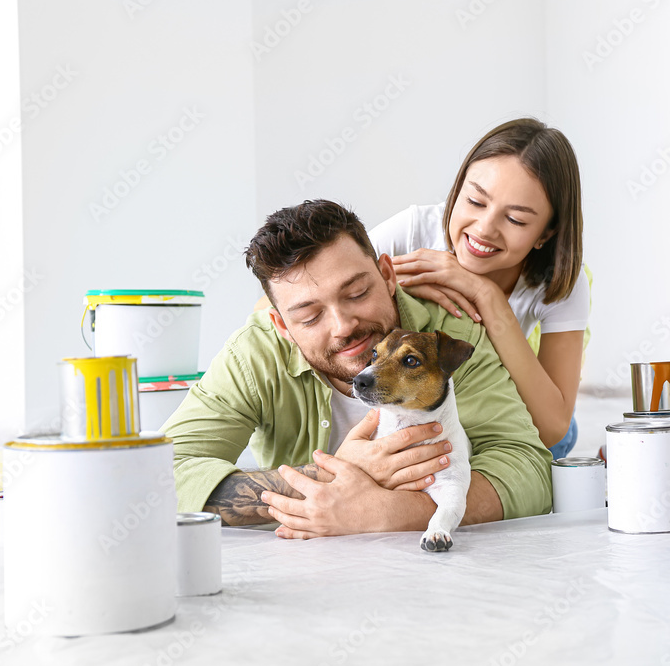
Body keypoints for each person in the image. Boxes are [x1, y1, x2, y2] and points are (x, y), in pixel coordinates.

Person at [163, 199, 551, 539]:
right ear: (282, 325)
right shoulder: (255, 354)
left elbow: (529, 467)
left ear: (387, 275)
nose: (343, 326)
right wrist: (331, 477)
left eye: (357, 293)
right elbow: (154, 478)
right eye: (310, 315)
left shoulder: (449, 334)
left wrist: (389, 513)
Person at [370, 118, 589, 460]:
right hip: (410, 403)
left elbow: (551, 427)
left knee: (565, 437)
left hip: (493, 406)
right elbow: (276, 308)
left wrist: (488, 297)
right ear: (457, 190)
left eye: (516, 220)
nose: (484, 229)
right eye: (475, 201)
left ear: (545, 234)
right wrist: (383, 281)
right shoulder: (413, 232)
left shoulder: (557, 280)